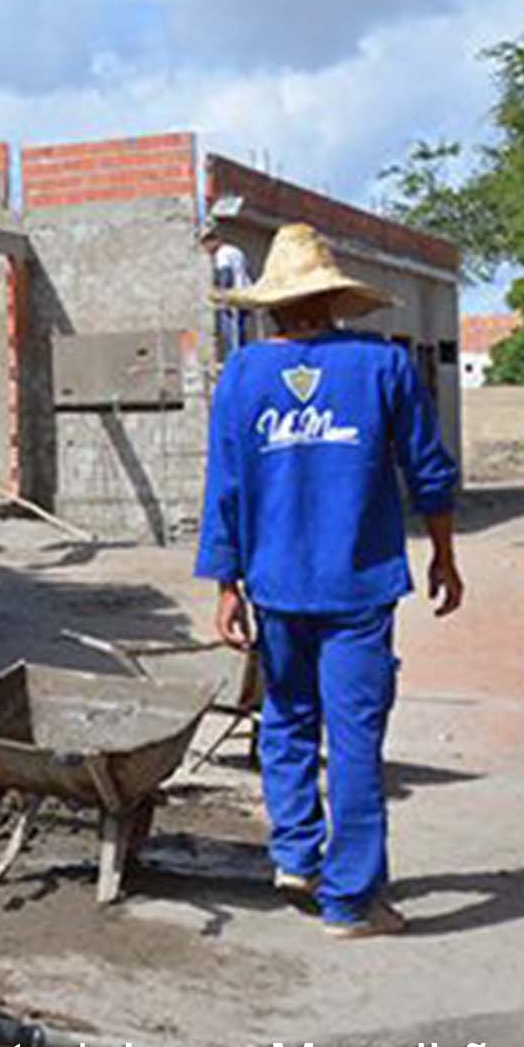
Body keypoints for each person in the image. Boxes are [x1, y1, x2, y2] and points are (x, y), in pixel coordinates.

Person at [194, 224, 461, 938]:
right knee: (353, 738)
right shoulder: (382, 366)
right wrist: (444, 555)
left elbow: (225, 489)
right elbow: (428, 471)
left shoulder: (242, 376)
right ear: (334, 301)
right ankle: (349, 901)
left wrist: (226, 585)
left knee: (285, 718)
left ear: (273, 306)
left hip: (275, 585)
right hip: (359, 588)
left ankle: (296, 855)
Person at [203, 222, 254, 358]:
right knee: (240, 331)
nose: (206, 250)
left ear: (213, 242)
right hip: (244, 294)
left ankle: (234, 359)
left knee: (230, 333)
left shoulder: (222, 254)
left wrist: (221, 294)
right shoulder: (236, 251)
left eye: (206, 246)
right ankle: (241, 357)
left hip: (232, 298)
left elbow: (226, 275)